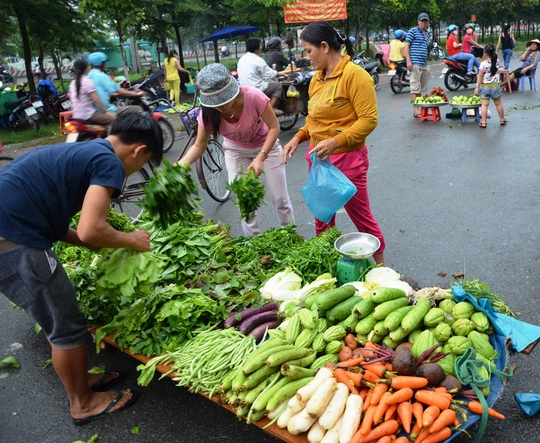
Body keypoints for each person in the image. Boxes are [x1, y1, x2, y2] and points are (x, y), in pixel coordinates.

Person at [0, 113, 164, 426]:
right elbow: (92, 228)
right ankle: (83, 404)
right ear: (140, 151)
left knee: (60, 318)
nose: (131, 173)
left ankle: (81, 380)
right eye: (142, 165)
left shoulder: (83, 150)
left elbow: (54, 209)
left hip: (10, 230)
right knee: (65, 324)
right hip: (13, 240)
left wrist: (85, 243)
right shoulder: (110, 163)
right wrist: (131, 240)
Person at [281, 21, 386, 266]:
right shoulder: (318, 78)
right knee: (322, 217)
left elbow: (369, 120)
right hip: (319, 159)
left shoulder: (355, 76)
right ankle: (328, 265)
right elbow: (315, 120)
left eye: (308, 51)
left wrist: (336, 142)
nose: (307, 57)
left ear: (325, 47)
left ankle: (383, 268)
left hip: (347, 159)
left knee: (362, 218)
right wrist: (298, 137)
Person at [179, 63, 294, 236]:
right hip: (236, 151)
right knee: (245, 203)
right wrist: (179, 167)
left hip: (266, 147)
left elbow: (274, 127)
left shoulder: (253, 96)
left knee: (281, 199)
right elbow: (199, 145)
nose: (219, 108)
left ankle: (291, 237)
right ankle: (254, 246)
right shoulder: (208, 112)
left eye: (223, 103)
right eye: (214, 104)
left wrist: (261, 157)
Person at [86, 52, 145, 125]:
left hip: (94, 110)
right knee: (138, 109)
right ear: (101, 63)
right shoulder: (101, 76)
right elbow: (120, 91)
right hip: (105, 109)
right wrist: (137, 94)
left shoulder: (88, 76)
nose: (105, 64)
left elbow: (103, 92)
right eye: (104, 62)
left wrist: (118, 93)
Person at [237, 37, 290, 115]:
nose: (261, 47)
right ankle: (271, 108)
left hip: (244, 88)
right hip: (256, 87)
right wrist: (282, 74)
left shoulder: (242, 59)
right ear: (256, 49)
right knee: (278, 86)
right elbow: (270, 74)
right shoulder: (257, 59)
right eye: (260, 46)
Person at [69, 59, 116, 123]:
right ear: (86, 68)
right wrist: (106, 111)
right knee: (115, 120)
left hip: (76, 115)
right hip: (88, 114)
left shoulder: (72, 83)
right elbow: (96, 99)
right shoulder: (87, 81)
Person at [405, 13, 431, 118]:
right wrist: (408, 61)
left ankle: (418, 107)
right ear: (418, 21)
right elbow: (406, 46)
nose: (424, 23)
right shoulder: (413, 31)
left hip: (424, 63)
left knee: (421, 87)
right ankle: (416, 109)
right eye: (422, 21)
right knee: (415, 87)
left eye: (426, 21)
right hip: (414, 62)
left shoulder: (427, 33)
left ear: (428, 22)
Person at [475, 44, 506, 128]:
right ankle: (502, 119)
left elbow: (480, 76)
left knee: (484, 105)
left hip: (485, 86)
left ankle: (484, 122)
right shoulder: (497, 61)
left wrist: (477, 87)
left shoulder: (483, 64)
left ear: (485, 54)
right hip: (495, 86)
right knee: (498, 103)